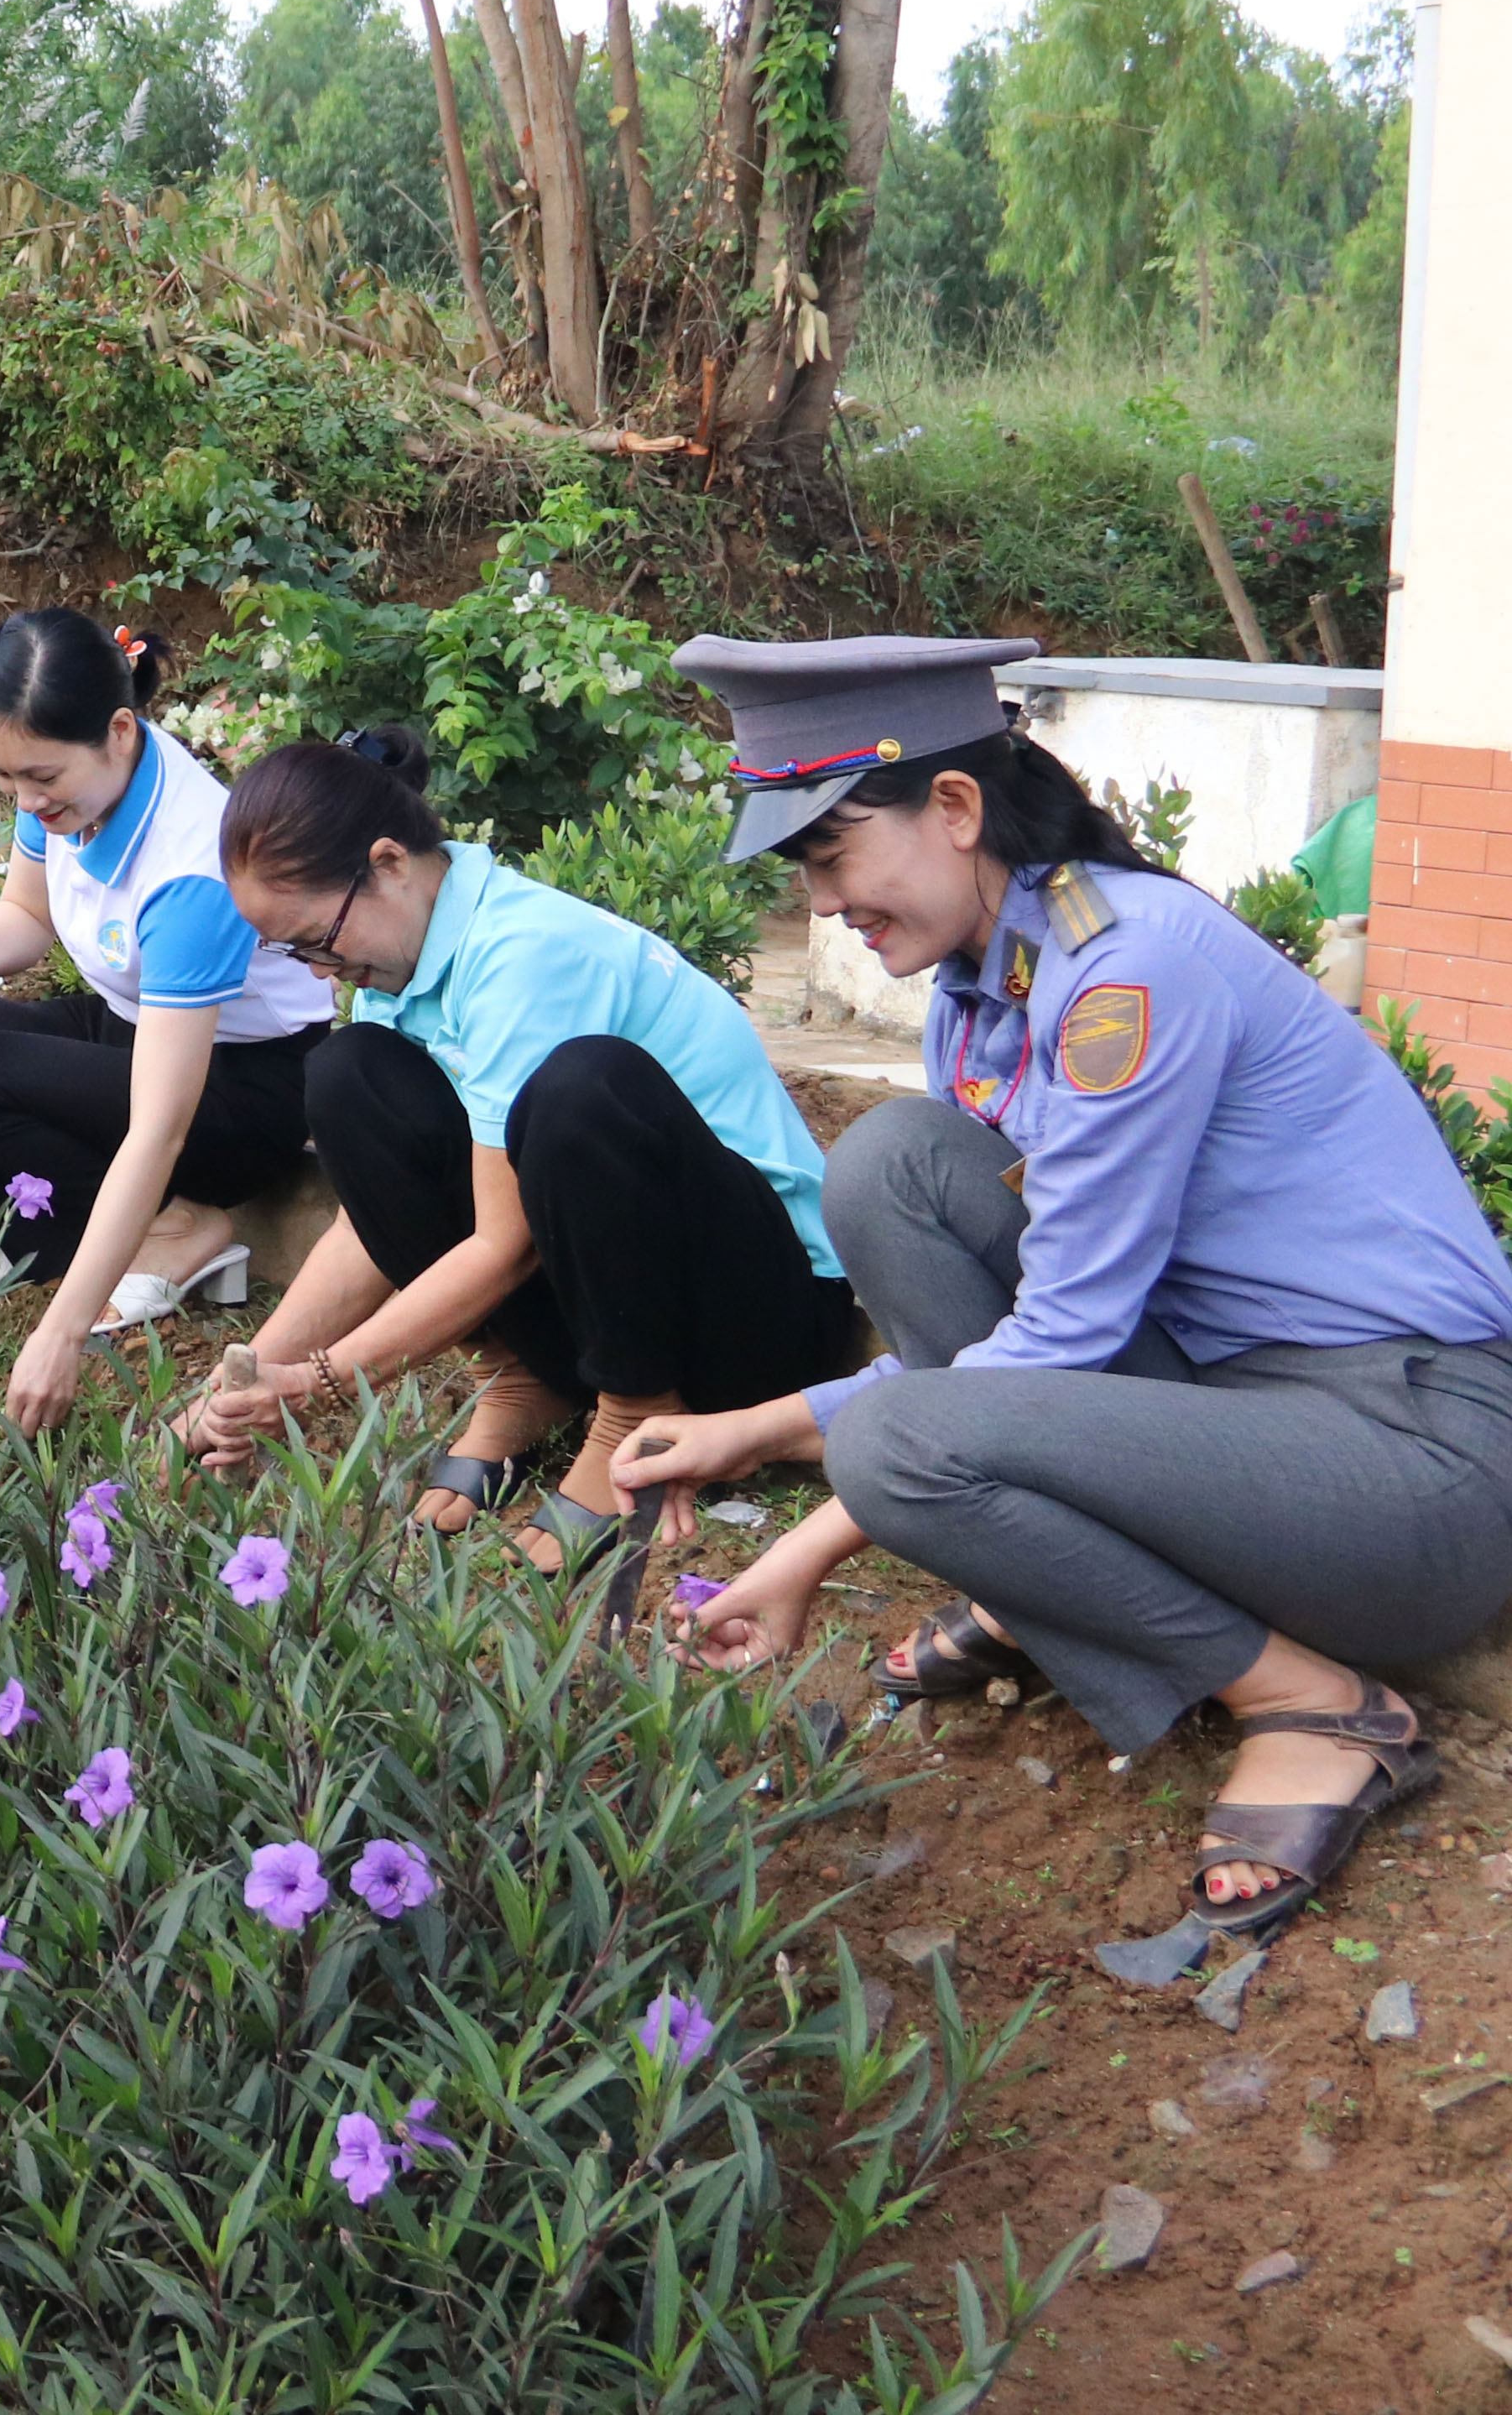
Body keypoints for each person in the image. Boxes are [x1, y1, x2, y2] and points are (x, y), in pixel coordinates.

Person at [615, 634, 1512, 1942]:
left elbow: (1065, 1336)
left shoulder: (1127, 969)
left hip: (1411, 1467)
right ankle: (1041, 1590)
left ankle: (1314, 1706)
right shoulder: (985, 988)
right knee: (894, 1168)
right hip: (1233, 1408)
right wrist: (757, 1428)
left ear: (958, 807)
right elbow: (1051, 1320)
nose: (820, 902)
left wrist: (813, 1538)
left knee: (901, 1450)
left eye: (829, 853)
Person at [180, 728, 861, 1567]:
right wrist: (249, 1378)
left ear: (388, 863)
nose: (323, 970)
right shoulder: (409, 968)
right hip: (632, 1297)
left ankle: (635, 1410)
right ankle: (527, 1374)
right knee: (350, 1075)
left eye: (320, 940)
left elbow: (503, 1248)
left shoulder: (524, 956)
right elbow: (374, 1225)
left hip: (760, 1318)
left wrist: (325, 1378)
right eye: (297, 953)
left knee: (584, 1088)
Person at [0, 611, 335, 1429]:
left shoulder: (193, 869)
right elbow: (28, 906)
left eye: (41, 778)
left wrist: (58, 1337)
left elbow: (161, 1125)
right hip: (126, 1025)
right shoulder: (61, 780)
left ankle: (178, 1227)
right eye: (6, 778)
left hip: (239, 1091)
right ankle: (104, 1226)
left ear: (120, 731)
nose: (26, 799)